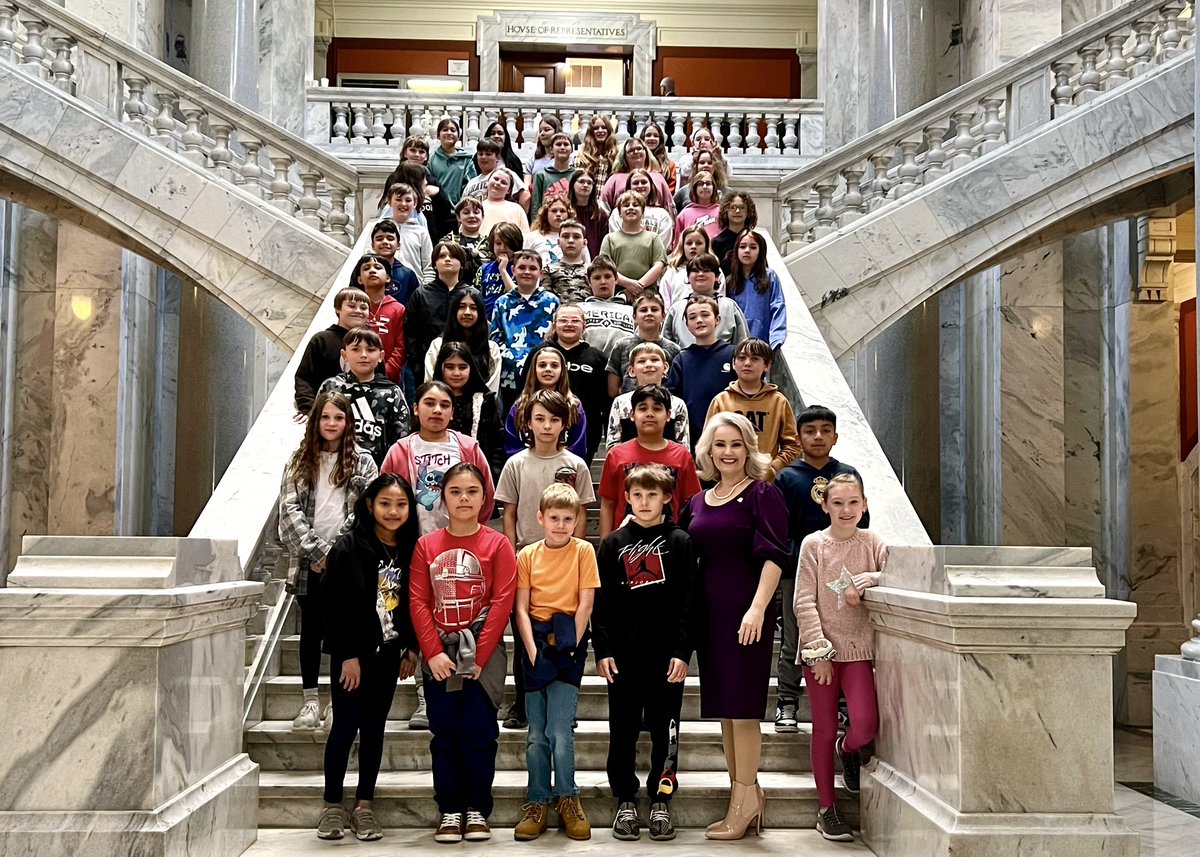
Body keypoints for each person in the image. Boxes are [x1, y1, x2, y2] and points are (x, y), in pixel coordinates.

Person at [680, 412, 790, 840]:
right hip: (711, 616)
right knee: (726, 712)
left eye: (736, 444)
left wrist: (759, 608)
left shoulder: (763, 493)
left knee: (743, 712)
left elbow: (775, 555)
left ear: (749, 448)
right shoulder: (698, 501)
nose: (727, 452)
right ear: (708, 450)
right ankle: (745, 795)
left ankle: (744, 803)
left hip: (747, 613)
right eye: (719, 445)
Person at [409, 462, 517, 844]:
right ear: (443, 497)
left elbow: (503, 601)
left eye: (472, 491)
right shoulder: (427, 545)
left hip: (482, 657)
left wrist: (479, 658)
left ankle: (476, 808)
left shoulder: (497, 544)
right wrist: (434, 653)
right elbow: (419, 601)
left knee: (480, 733)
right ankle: (450, 809)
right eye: (455, 492)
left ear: (485, 498)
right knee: (445, 734)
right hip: (439, 655)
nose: (464, 499)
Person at [593, 463, 697, 842]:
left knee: (665, 731)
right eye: (637, 494)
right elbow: (599, 600)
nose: (645, 501)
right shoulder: (612, 544)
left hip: (666, 658)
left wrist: (683, 651)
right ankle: (624, 798)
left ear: (668, 497)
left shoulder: (681, 541)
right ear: (627, 497)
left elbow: (690, 601)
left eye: (653, 494)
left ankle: (660, 800)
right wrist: (602, 649)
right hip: (622, 658)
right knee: (621, 731)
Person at [316, 473, 421, 842]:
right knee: (345, 727)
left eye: (401, 504)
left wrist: (412, 647)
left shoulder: (412, 549)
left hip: (390, 656)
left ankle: (364, 805)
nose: (393, 511)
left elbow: (415, 604)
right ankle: (332, 805)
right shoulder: (347, 547)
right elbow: (332, 606)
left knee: (374, 729)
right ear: (370, 505)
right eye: (385, 503)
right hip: (353, 658)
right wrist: (347, 655)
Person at [280, 391, 380, 735]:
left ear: (347, 422)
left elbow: (366, 513)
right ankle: (310, 699)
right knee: (311, 628)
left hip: (347, 561)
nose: (332, 424)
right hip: (310, 560)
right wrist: (318, 552)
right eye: (325, 417)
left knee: (343, 630)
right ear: (315, 421)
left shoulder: (363, 461)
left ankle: (338, 702)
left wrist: (337, 554)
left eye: (339, 418)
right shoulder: (298, 461)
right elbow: (289, 512)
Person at [795, 473, 885, 842]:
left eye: (853, 503)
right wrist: (818, 652)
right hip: (823, 654)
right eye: (838, 503)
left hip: (860, 650)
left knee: (865, 724)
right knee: (824, 726)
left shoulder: (874, 541)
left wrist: (868, 579)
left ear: (864, 504)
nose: (846, 510)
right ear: (825, 505)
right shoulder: (814, 545)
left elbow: (900, 576)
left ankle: (847, 750)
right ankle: (826, 810)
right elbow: (803, 601)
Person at [512, 483, 599, 841]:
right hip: (534, 643)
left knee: (560, 732)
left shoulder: (584, 551)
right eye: (554, 518)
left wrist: (571, 647)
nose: (560, 525)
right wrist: (532, 651)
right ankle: (537, 801)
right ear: (540, 518)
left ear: (577, 520)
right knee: (536, 735)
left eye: (567, 518)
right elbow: (520, 606)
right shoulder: (528, 555)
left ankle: (568, 798)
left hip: (568, 644)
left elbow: (586, 604)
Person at [774, 405, 868, 734]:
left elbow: (862, 524)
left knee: (842, 634)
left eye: (825, 430)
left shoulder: (848, 475)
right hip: (798, 569)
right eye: (810, 430)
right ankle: (787, 700)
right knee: (794, 637)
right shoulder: (786, 477)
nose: (817, 436)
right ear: (798, 437)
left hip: (842, 571)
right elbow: (778, 527)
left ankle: (842, 704)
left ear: (836, 436)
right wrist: (788, 561)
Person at [381, 381, 496, 536]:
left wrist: (471, 529)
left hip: (461, 538)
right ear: (416, 409)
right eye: (429, 403)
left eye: (445, 405)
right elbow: (384, 498)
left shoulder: (468, 448)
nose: (437, 410)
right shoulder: (399, 451)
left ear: (452, 412)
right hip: (411, 541)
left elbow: (487, 495)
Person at [597, 384, 701, 539]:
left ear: (668, 415)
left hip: (669, 544)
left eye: (657, 409)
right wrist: (605, 548)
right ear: (632, 415)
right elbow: (608, 504)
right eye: (643, 408)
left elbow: (691, 505)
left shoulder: (682, 455)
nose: (650, 414)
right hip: (625, 544)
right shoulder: (616, 455)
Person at [706, 338, 802, 478]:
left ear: (767, 365)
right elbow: (708, 442)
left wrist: (774, 467)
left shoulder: (778, 401)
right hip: (728, 478)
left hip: (765, 480)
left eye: (755, 359)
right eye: (741, 358)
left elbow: (793, 445)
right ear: (733, 363)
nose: (747, 363)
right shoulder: (721, 401)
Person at [318, 328, 410, 466]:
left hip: (376, 472)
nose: (363, 355)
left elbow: (402, 440)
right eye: (355, 349)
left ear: (381, 356)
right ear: (344, 355)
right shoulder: (331, 386)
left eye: (371, 350)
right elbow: (314, 429)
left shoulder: (392, 392)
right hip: (331, 467)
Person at [666, 294, 738, 446]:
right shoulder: (682, 359)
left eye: (705, 315)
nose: (699, 320)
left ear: (717, 320)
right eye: (692, 317)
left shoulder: (734, 354)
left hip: (729, 432)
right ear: (686, 325)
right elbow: (673, 399)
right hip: (693, 436)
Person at [491, 250, 560, 407]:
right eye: (522, 267)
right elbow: (495, 338)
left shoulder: (552, 301)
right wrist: (513, 358)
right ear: (513, 270)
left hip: (544, 371)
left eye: (532, 268)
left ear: (541, 273)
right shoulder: (502, 303)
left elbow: (557, 337)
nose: (527, 272)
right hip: (510, 373)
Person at [431, 343, 506, 484]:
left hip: (477, 476)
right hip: (435, 474)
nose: (456, 373)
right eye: (450, 367)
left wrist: (492, 476)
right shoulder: (429, 400)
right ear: (441, 368)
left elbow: (496, 443)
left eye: (463, 367)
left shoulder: (484, 400)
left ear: (471, 368)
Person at [502, 343, 588, 461]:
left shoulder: (574, 405)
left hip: (563, 470)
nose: (548, 369)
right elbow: (511, 445)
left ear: (562, 370)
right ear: (534, 370)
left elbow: (578, 447)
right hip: (526, 468)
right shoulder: (519, 405)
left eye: (554, 365)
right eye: (542, 365)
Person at [547, 304, 610, 464]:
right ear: (554, 326)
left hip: (586, 432)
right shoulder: (541, 353)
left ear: (584, 326)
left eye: (575, 320)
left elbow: (605, 401)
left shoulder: (597, 357)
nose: (569, 324)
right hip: (545, 427)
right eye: (563, 320)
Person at [294, 287, 369, 418]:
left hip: (364, 417)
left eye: (363, 308)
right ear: (338, 309)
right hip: (326, 416)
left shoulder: (372, 343)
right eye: (351, 306)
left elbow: (380, 380)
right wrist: (310, 411)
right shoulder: (321, 340)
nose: (358, 311)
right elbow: (304, 379)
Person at [405, 242, 472, 387]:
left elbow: (479, 331)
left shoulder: (472, 295)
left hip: (463, 368)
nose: (447, 259)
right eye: (442, 256)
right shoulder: (421, 294)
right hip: (426, 366)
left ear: (462, 263)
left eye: (453, 256)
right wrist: (417, 366)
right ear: (434, 264)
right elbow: (411, 333)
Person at [606, 342, 690, 448]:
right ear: (631, 370)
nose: (649, 364)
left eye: (654, 360)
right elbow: (613, 445)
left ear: (665, 367)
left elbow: (683, 446)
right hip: (629, 462)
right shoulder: (620, 402)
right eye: (641, 361)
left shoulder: (677, 404)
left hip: (667, 463)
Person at [424, 288, 501, 394]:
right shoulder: (437, 346)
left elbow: (492, 388)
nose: (467, 312)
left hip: (480, 407)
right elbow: (430, 383)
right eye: (462, 307)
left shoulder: (491, 349)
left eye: (473, 308)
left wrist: (478, 405)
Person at [663, 254, 749, 348]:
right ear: (688, 277)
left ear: (717, 277)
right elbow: (667, 347)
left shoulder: (729, 306)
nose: (700, 274)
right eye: (695, 271)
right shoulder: (676, 308)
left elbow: (742, 344)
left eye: (706, 270)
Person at [606, 291, 681, 396]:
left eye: (654, 309)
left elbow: (677, 386)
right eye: (643, 310)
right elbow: (613, 389)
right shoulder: (621, 345)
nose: (649, 313)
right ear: (634, 317)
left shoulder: (674, 349)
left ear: (663, 316)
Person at [598, 191, 667, 299]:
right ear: (620, 213)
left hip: (647, 293)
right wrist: (628, 284)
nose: (631, 208)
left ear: (643, 212)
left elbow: (659, 266)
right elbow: (605, 267)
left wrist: (639, 285)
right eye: (626, 205)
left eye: (635, 205)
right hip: (617, 292)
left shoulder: (653, 238)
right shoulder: (610, 238)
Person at [349, 253, 405, 385]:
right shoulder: (352, 309)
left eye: (378, 267)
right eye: (366, 268)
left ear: (388, 278)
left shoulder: (398, 309)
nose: (372, 271)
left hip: (387, 380)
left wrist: (386, 371)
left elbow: (401, 347)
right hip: (354, 376)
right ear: (359, 279)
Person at [727, 229, 787, 349]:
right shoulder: (730, 281)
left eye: (753, 247)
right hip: (738, 347)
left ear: (760, 251)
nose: (747, 251)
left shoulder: (770, 277)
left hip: (762, 344)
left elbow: (778, 307)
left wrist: (776, 339)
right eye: (742, 247)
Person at [579, 255, 635, 360]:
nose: (603, 282)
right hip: (588, 365)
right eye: (597, 278)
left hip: (623, 365)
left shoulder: (632, 311)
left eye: (607, 276)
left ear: (616, 279)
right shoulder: (579, 309)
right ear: (588, 282)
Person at [600, 137, 674, 217]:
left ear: (646, 152)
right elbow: (604, 208)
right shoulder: (614, 179)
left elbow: (669, 206)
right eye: (631, 150)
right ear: (624, 156)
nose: (635, 152)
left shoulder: (658, 178)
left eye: (639, 149)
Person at [382, 183, 436, 286]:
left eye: (408, 200)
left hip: (414, 290)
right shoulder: (378, 229)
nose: (403, 204)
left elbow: (428, 267)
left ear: (414, 204)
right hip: (383, 287)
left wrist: (424, 291)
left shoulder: (421, 232)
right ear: (389, 202)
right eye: (398, 200)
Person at [658, 225, 725, 307]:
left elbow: (721, 299)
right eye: (689, 243)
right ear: (683, 246)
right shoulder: (673, 271)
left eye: (699, 243)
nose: (693, 247)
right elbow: (665, 301)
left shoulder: (715, 270)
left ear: (706, 245)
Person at [606, 169, 674, 249]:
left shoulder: (662, 214)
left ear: (651, 185)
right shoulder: (617, 213)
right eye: (635, 183)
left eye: (644, 182)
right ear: (629, 186)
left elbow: (663, 244)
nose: (640, 185)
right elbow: (616, 240)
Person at [462, 139, 529, 211]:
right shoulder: (471, 182)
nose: (483, 157)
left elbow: (525, 196)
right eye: (480, 154)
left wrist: (519, 217)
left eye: (488, 154)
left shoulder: (505, 175)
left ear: (497, 157)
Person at [368, 219, 422, 307]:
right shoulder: (363, 271)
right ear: (372, 245)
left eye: (390, 238)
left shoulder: (408, 275)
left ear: (398, 245)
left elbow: (416, 306)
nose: (385, 242)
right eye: (379, 239)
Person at [475, 222, 524, 317]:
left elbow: (518, 297)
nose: (502, 248)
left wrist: (503, 270)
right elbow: (476, 298)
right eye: (498, 243)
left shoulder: (522, 269)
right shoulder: (484, 269)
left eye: (508, 243)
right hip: (488, 321)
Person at [540, 219, 591, 303]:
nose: (571, 241)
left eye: (576, 237)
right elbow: (546, 302)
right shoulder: (548, 270)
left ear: (584, 243)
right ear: (558, 242)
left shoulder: (592, 270)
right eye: (566, 236)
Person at [428, 118, 475, 206]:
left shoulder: (466, 159)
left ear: (458, 136)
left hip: (460, 210)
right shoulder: (431, 159)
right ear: (438, 135)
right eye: (445, 130)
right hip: (437, 209)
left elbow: (471, 185)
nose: (449, 133)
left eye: (453, 130)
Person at [524, 195, 582, 267]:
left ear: (568, 214)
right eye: (554, 211)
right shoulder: (532, 237)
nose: (558, 214)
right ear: (546, 214)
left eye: (562, 211)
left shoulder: (577, 238)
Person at [564, 169, 609, 258]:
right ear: (573, 184)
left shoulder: (600, 214)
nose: (585, 185)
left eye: (589, 183)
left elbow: (604, 242)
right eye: (581, 182)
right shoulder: (565, 211)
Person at [711, 192, 758, 275]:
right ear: (726, 211)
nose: (737, 211)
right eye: (733, 207)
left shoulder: (757, 240)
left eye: (742, 208)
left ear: (748, 211)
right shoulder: (717, 242)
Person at [531, 132, 576, 216]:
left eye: (566, 144)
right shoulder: (541, 175)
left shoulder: (576, 175)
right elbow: (536, 205)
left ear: (572, 149)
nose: (562, 147)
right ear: (551, 149)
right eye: (558, 144)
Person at [673, 171, 723, 246]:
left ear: (714, 187)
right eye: (700, 184)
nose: (705, 187)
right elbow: (678, 244)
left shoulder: (722, 211)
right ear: (694, 188)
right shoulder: (685, 214)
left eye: (708, 183)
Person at [480, 170, 530, 235]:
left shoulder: (517, 209)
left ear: (508, 190)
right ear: (487, 182)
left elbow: (526, 236)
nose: (498, 183)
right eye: (496, 179)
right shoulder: (477, 207)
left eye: (503, 182)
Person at [576, 114, 618, 187]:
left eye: (604, 127)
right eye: (596, 128)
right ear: (591, 132)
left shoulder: (616, 156)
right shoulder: (581, 156)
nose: (600, 131)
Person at [524, 115, 565, 184]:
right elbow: (526, 185)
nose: (542, 133)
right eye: (540, 131)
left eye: (547, 130)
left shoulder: (567, 158)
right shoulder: (533, 160)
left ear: (556, 132)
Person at [640, 122, 677, 193]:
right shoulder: (635, 162)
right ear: (643, 138)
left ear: (660, 139)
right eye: (648, 135)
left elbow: (670, 191)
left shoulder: (669, 165)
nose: (652, 138)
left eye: (656, 136)